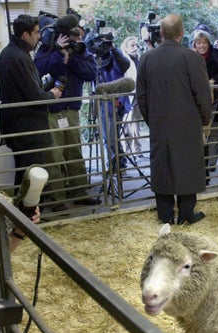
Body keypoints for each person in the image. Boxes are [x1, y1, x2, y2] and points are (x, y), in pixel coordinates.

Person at [137, 14, 212, 225]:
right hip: (188, 123)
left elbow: (141, 97)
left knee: (162, 166)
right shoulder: (192, 58)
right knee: (188, 165)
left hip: (159, 123)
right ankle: (187, 213)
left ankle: (165, 215)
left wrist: (151, 119)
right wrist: (204, 119)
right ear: (181, 33)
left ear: (161, 33)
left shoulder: (146, 59)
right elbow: (203, 94)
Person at [34, 24, 99, 206]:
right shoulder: (48, 50)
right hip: (52, 110)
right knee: (54, 155)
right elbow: (37, 69)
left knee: (75, 152)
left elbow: (91, 73)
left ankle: (79, 192)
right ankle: (57, 198)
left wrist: (71, 59)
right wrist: (57, 52)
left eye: (77, 36)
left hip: (72, 109)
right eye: (71, 36)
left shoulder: (81, 51)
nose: (75, 39)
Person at [0, 14, 63, 188]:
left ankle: (25, 212)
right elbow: (34, 96)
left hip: (21, 126)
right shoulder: (18, 56)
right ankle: (29, 212)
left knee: (25, 174)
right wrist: (52, 95)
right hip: (28, 128)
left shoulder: (12, 53)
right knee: (32, 174)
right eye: (35, 33)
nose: (39, 36)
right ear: (25, 35)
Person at [191, 27, 218, 182]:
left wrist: (213, 81)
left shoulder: (216, 55)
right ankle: (201, 168)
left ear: (208, 43)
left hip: (215, 99)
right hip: (196, 101)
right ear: (194, 44)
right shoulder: (191, 56)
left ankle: (210, 164)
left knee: (212, 132)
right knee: (199, 134)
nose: (202, 46)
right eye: (199, 43)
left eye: (204, 43)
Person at [89, 32, 131, 172]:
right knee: (108, 137)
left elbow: (125, 65)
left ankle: (117, 162)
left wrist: (113, 48)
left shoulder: (115, 56)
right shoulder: (94, 59)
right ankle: (115, 162)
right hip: (102, 101)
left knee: (112, 136)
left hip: (116, 101)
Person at [120, 35, 142, 154]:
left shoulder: (138, 59)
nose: (135, 48)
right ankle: (128, 149)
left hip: (138, 94)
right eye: (132, 45)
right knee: (128, 123)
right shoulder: (124, 59)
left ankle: (136, 149)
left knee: (136, 123)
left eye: (136, 45)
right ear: (126, 48)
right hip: (129, 95)